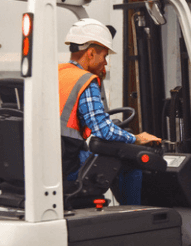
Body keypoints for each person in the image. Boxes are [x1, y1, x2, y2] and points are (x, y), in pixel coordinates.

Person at [59, 18, 161, 205]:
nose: (105, 62)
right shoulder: (85, 80)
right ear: (90, 53)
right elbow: (103, 130)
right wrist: (137, 139)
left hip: (53, 161)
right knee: (131, 162)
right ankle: (134, 216)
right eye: (104, 56)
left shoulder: (57, 73)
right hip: (67, 165)